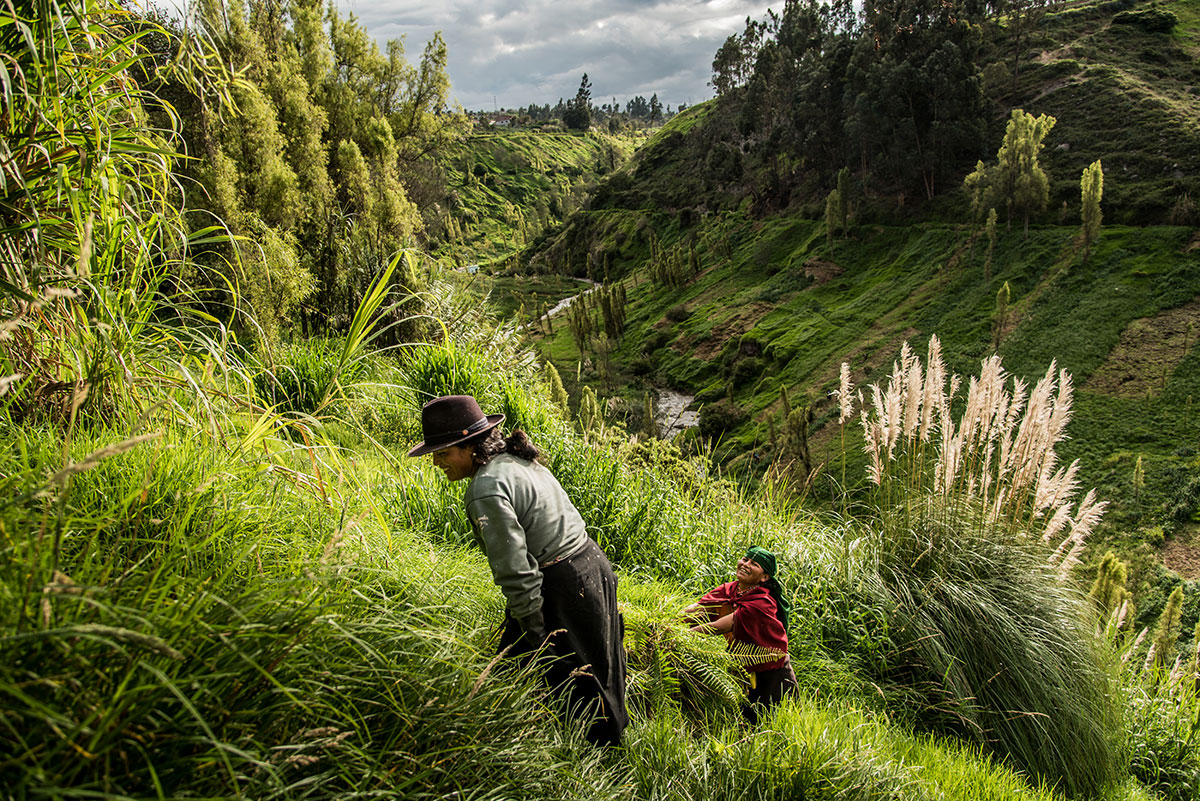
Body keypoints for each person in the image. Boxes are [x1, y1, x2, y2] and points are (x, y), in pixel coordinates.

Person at [408, 394, 628, 746]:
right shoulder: (514, 460)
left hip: (562, 584)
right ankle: (553, 741)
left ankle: (591, 753)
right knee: (595, 664)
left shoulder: (485, 489)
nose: (436, 462)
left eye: (443, 453)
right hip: (591, 565)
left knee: (571, 675)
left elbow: (516, 572)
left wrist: (537, 630)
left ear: (469, 447)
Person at [684, 546, 797, 723]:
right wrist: (669, 621)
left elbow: (718, 627)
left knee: (775, 721)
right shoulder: (729, 590)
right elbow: (699, 610)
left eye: (754, 564)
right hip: (743, 663)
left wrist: (681, 636)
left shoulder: (762, 603)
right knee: (742, 720)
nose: (746, 564)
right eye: (745, 559)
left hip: (772, 671)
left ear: (765, 577)